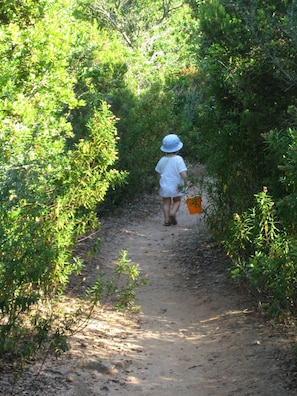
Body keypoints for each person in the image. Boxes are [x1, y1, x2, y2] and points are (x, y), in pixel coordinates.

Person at [155, 134, 191, 226]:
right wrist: (187, 181)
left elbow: (158, 174)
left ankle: (167, 220)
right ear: (177, 148)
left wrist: (158, 184)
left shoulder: (162, 160)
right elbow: (182, 172)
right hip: (177, 185)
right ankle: (173, 213)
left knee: (166, 203)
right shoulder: (179, 159)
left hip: (165, 185)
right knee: (177, 200)